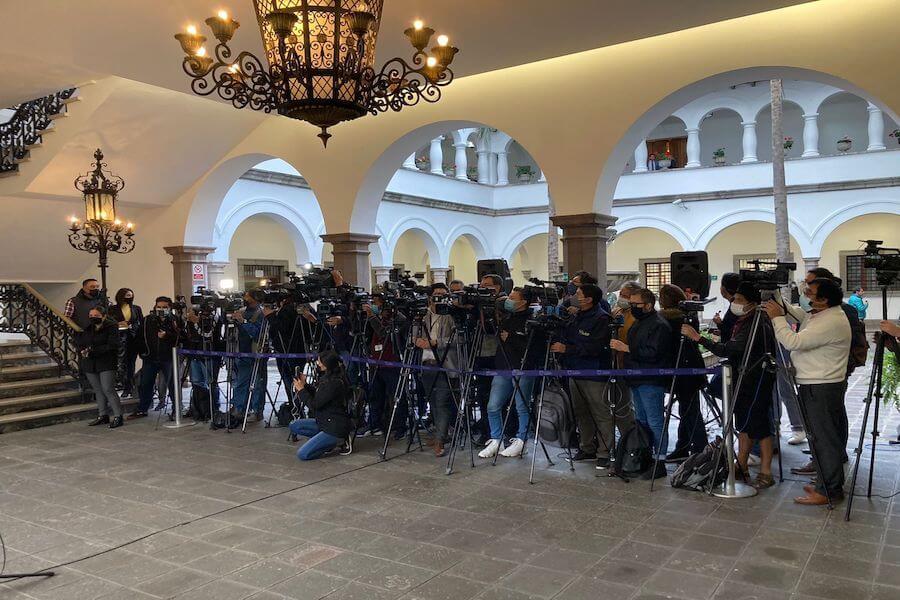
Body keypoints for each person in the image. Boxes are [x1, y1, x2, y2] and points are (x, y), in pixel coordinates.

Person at [764, 278, 851, 505]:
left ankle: (829, 491)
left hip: (821, 387)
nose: (805, 294)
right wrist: (776, 298)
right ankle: (824, 484)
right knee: (819, 438)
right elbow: (798, 315)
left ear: (823, 299)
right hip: (816, 384)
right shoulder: (820, 314)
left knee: (824, 440)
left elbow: (793, 341)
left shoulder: (830, 321)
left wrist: (776, 318)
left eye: (810, 292)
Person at [683, 282, 776, 488]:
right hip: (742, 379)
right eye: (734, 299)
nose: (734, 303)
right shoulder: (743, 320)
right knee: (743, 423)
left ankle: (766, 472)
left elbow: (730, 349)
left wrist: (698, 338)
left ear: (752, 303)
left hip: (755, 379)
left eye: (739, 300)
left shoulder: (757, 321)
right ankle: (741, 465)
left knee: (760, 426)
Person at [553, 283, 634, 467]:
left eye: (579, 294)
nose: (575, 296)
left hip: (594, 373)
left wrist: (568, 349)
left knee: (601, 413)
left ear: (589, 299)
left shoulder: (601, 319)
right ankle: (587, 447)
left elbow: (597, 347)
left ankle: (605, 451)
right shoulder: (576, 316)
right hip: (574, 371)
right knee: (581, 413)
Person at [610, 287, 671, 478]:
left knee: (655, 421)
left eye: (636, 304)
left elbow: (653, 353)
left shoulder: (659, 324)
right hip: (636, 378)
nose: (632, 307)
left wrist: (626, 348)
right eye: (631, 304)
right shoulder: (639, 322)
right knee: (642, 421)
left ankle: (659, 459)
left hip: (651, 379)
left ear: (648, 305)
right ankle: (645, 455)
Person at [479, 287, 543, 459]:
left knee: (522, 406)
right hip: (503, 367)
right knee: (493, 405)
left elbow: (534, 348)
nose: (509, 301)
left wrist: (512, 338)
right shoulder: (506, 318)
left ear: (523, 302)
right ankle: (496, 438)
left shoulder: (533, 320)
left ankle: (521, 441)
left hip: (524, 368)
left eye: (513, 298)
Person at [657, 283, 708, 462]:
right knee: (688, 408)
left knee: (690, 411)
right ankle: (684, 446)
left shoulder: (665, 320)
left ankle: (700, 450)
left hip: (681, 370)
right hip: (690, 369)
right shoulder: (689, 316)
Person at [415, 283, 458, 457]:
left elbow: (459, 338)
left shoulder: (451, 316)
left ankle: (440, 440)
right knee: (432, 401)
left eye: (443, 294)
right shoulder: (423, 315)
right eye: (436, 295)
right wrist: (418, 341)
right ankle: (441, 434)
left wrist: (436, 343)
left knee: (442, 402)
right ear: (430, 297)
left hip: (444, 364)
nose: (439, 298)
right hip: (426, 364)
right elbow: (414, 335)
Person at [289, 351, 352, 460]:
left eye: (320, 361)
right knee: (295, 425)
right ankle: (324, 441)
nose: (317, 363)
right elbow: (319, 395)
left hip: (334, 427)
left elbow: (314, 404)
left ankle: (337, 442)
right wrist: (305, 386)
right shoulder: (327, 379)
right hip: (324, 421)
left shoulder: (334, 383)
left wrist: (301, 391)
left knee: (303, 454)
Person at [363, 293, 409, 437]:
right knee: (376, 396)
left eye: (376, 302)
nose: (373, 305)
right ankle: (376, 424)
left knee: (396, 396)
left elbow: (384, 333)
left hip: (392, 363)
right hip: (376, 362)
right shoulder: (379, 317)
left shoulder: (398, 318)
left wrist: (371, 316)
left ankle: (400, 426)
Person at [131, 297, 180, 419]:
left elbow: (181, 337)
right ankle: (143, 408)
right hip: (150, 358)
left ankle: (176, 409)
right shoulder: (148, 320)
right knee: (145, 384)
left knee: (172, 384)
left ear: (170, 308)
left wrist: (167, 335)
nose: (161, 309)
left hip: (169, 358)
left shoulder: (174, 320)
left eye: (164, 307)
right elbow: (139, 337)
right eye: (159, 307)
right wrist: (142, 352)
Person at [76, 305, 124, 428]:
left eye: (96, 316)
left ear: (103, 316)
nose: (93, 318)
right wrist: (84, 350)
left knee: (108, 388)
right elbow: (81, 342)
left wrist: (94, 350)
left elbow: (113, 345)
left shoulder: (111, 327)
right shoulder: (88, 328)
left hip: (106, 361)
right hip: (90, 362)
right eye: (91, 316)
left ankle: (118, 416)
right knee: (98, 389)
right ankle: (103, 415)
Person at [472, 274, 505, 444]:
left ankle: (504, 432)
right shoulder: (478, 304)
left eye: (487, 286)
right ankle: (487, 432)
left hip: (499, 356)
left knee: (500, 397)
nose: (483, 289)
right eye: (481, 285)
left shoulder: (502, 302)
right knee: (483, 395)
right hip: (479, 354)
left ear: (498, 287)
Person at [231, 289, 268, 422]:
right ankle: (239, 408)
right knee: (241, 382)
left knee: (258, 384)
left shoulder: (262, 313)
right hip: (242, 352)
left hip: (256, 353)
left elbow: (259, 334)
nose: (244, 298)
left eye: (247, 296)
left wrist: (244, 322)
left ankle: (256, 410)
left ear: (255, 298)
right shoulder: (241, 311)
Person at [108, 288, 143, 399]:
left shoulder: (136, 308)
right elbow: (108, 322)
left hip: (132, 338)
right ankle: (122, 385)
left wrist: (133, 327)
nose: (129, 298)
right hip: (119, 339)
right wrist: (118, 324)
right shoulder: (112, 309)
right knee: (121, 364)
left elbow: (141, 322)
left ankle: (129, 387)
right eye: (127, 295)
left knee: (131, 363)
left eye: (131, 296)